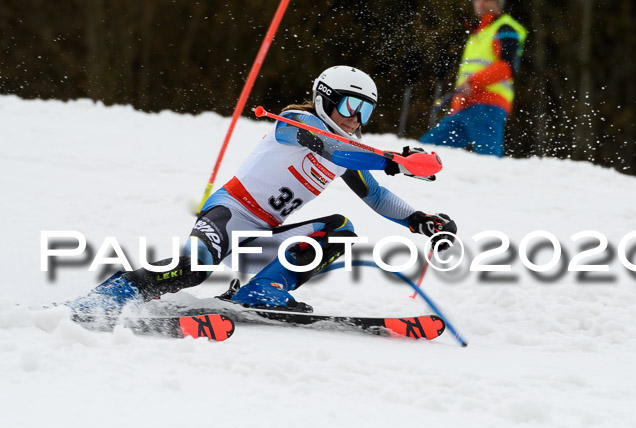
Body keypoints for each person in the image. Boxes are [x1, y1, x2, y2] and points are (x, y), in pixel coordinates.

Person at [70, 65, 457, 319]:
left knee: (340, 229)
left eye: (366, 111)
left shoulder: (351, 153)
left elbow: (375, 195)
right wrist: (394, 159)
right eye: (351, 105)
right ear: (325, 97)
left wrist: (419, 220)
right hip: (227, 215)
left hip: (261, 236)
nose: (356, 118)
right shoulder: (295, 122)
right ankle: (112, 295)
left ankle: (260, 291)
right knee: (193, 271)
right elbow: (330, 148)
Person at [420, 0, 527, 157]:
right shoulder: (481, 31)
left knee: (488, 159)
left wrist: (472, 83)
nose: (477, 3)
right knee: (424, 150)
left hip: (487, 106)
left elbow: (506, 67)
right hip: (466, 106)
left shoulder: (505, 28)